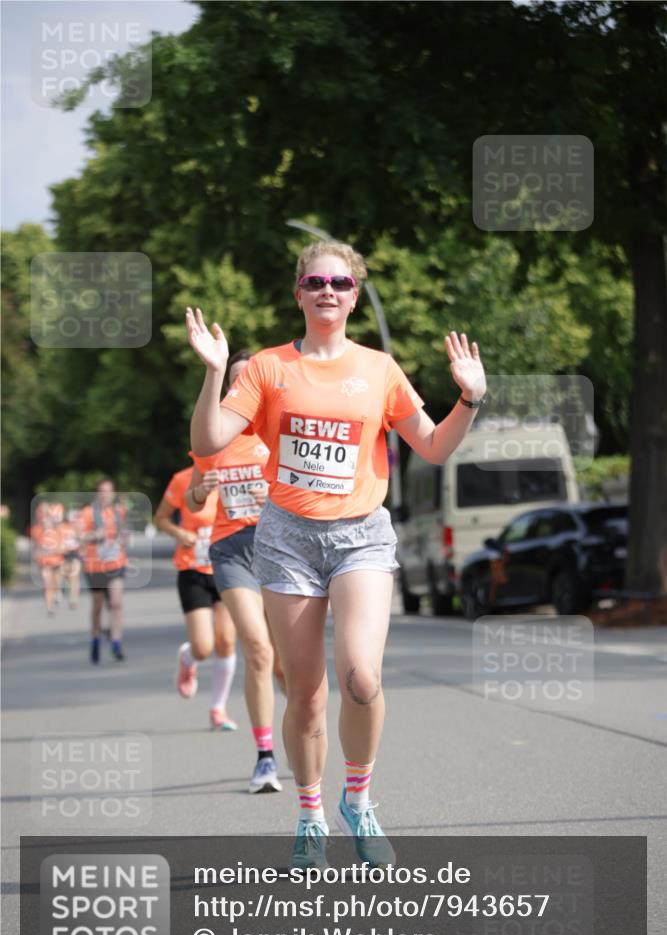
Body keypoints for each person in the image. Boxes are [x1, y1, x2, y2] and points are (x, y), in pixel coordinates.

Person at [186, 240, 487, 867]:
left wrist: (470, 399)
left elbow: (431, 447)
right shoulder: (268, 368)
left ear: (354, 294)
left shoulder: (378, 369)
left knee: (361, 677)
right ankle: (310, 815)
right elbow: (211, 439)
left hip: (361, 536)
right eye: (317, 281)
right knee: (308, 693)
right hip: (288, 539)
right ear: (299, 292)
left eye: (343, 283)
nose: (330, 290)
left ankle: (359, 798)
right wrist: (215, 371)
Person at [187, 349, 286, 794]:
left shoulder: (281, 430)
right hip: (231, 552)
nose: (241, 386)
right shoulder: (216, 439)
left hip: (282, 551)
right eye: (235, 380)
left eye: (250, 379)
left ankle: (305, 731)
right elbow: (192, 498)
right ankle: (265, 758)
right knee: (258, 649)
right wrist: (200, 489)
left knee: (286, 664)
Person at [154, 461, 239, 731]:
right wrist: (180, 533)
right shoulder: (183, 479)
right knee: (204, 647)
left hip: (228, 568)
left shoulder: (238, 475)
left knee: (226, 640)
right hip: (193, 569)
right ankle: (188, 658)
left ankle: (218, 709)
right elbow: (161, 518)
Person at [78, 480, 128, 664]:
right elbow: (79, 536)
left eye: (109, 491)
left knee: (116, 603)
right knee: (98, 606)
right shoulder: (87, 513)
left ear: (113, 493)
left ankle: (116, 642)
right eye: (102, 491)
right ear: (97, 494)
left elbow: (123, 533)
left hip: (116, 562)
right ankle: (96, 638)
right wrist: (94, 535)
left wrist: (123, 538)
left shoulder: (118, 512)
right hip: (95, 565)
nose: (105, 495)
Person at [30, 501, 63, 616]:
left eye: (45, 512)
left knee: (55, 581)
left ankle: (58, 591)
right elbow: (35, 546)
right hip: (44, 561)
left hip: (57, 559)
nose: (43, 515)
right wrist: (36, 554)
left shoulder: (57, 527)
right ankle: (50, 607)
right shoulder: (36, 529)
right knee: (46, 583)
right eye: (40, 512)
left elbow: (62, 542)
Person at [59, 508, 82, 609]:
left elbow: (82, 540)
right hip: (63, 554)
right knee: (65, 574)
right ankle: (64, 587)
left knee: (74, 576)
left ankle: (73, 598)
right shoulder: (61, 527)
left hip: (74, 553)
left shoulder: (78, 528)